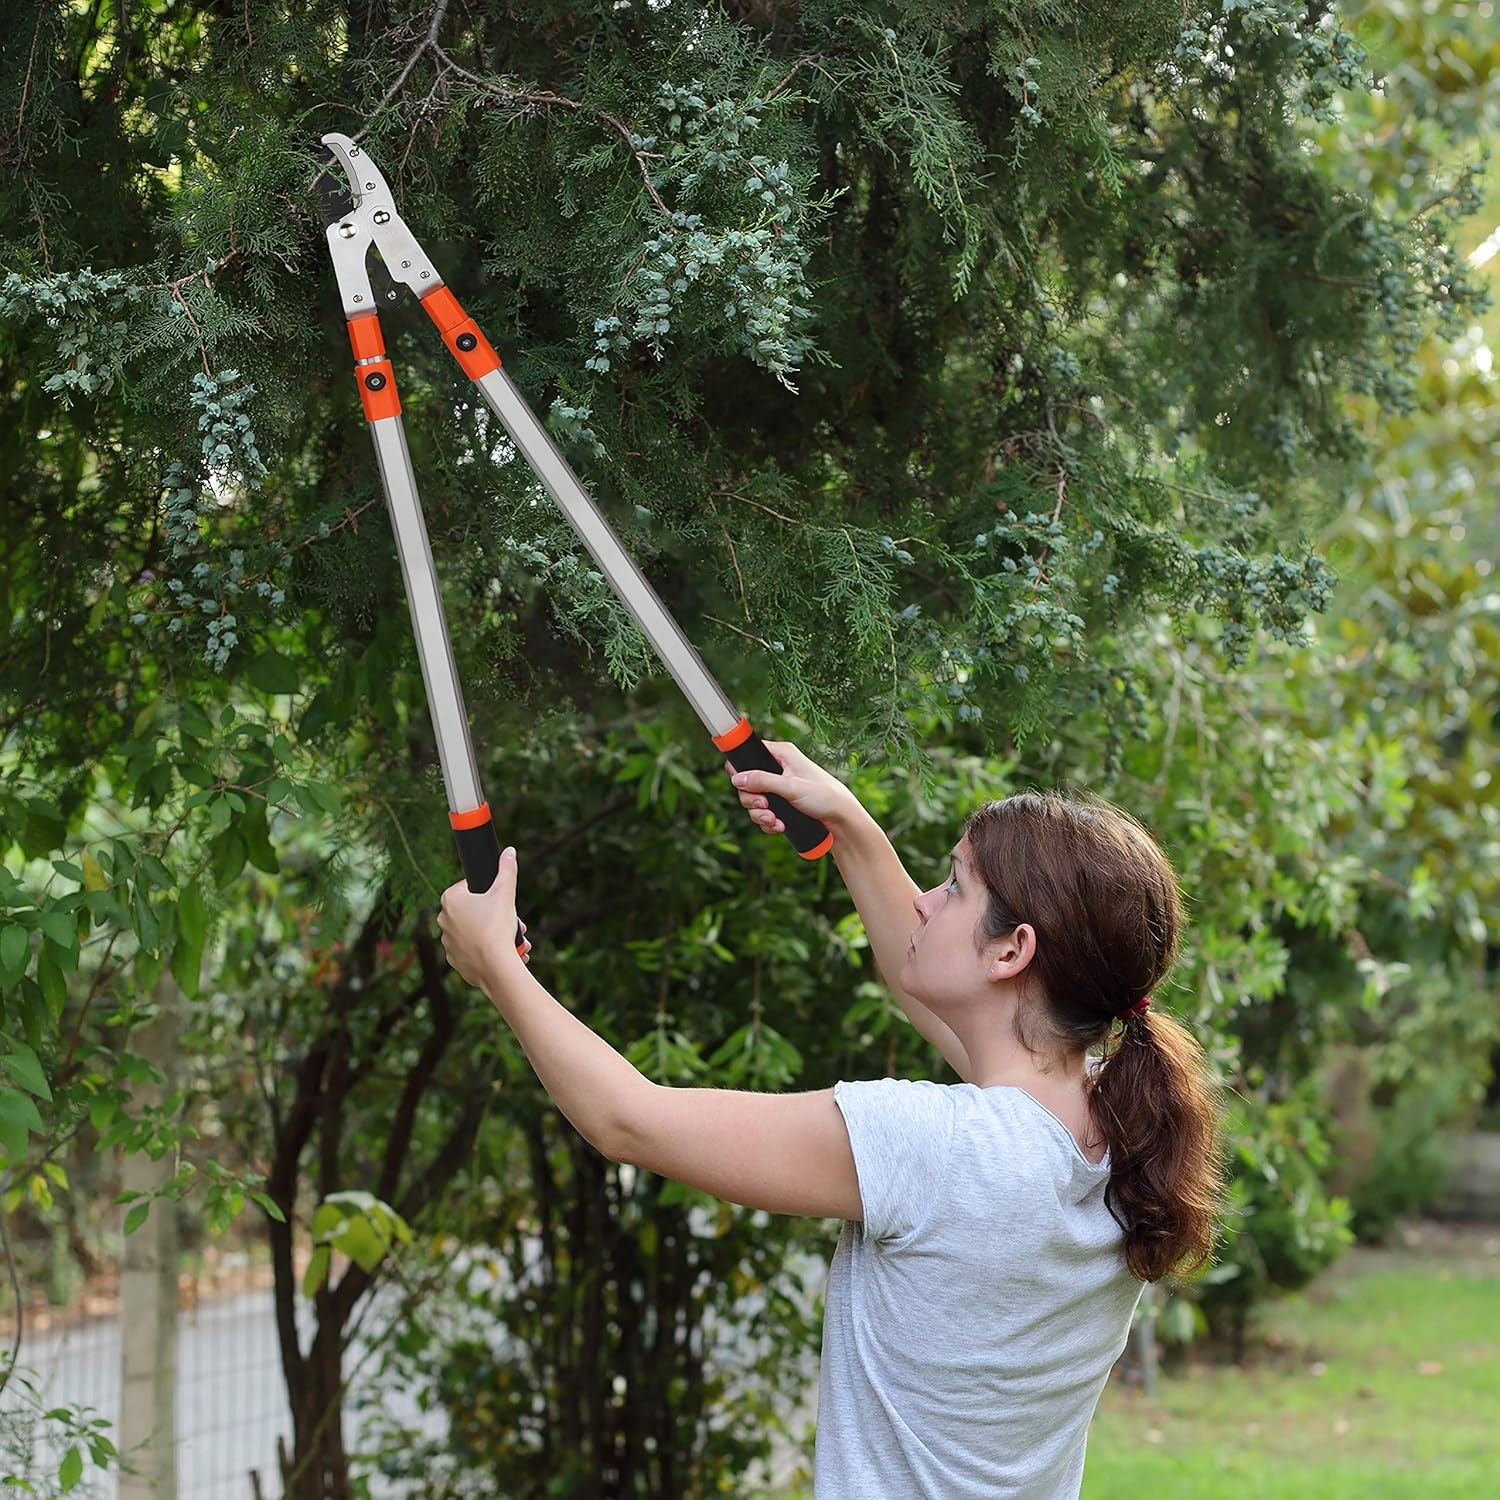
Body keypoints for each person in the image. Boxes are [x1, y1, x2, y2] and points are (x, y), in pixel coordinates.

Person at [438, 741, 1225, 1500]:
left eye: (952, 886)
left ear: (1012, 952)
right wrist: (848, 826)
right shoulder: (1108, 1127)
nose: (924, 899)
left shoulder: (934, 1148)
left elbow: (630, 1122)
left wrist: (496, 967)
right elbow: (925, 980)